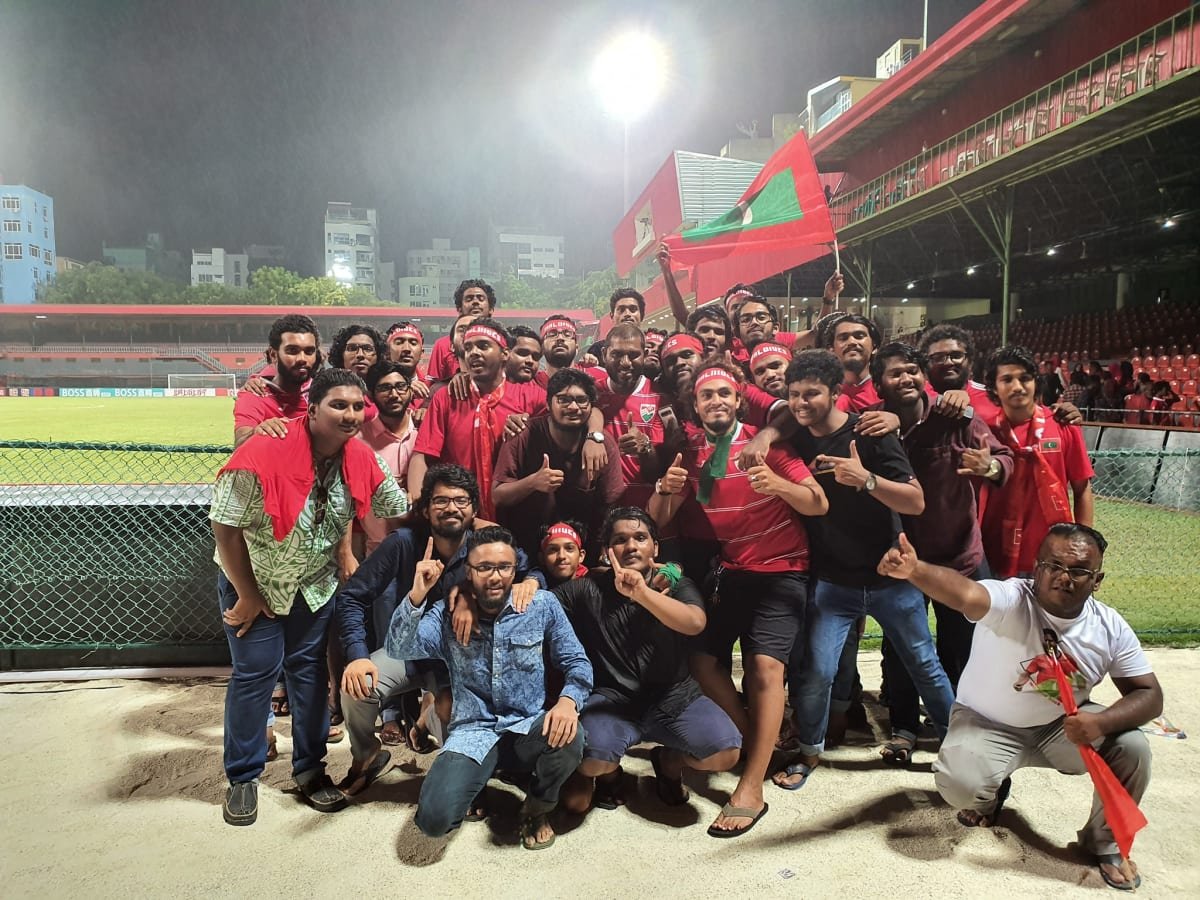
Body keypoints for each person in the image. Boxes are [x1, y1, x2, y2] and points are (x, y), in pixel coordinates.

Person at [878, 524, 1161, 891]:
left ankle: (1104, 843)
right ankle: (989, 796)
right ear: (1037, 567)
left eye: (1079, 570)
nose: (1063, 577)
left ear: (1097, 580)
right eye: (1053, 565)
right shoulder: (1012, 598)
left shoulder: (1109, 627)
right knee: (961, 785)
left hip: (1060, 727)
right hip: (986, 722)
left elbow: (1149, 694)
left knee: (1133, 747)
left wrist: (1102, 722)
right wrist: (916, 570)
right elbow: (966, 593)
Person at [211, 368, 409, 826]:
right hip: (255, 582)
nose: (350, 415)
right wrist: (247, 594)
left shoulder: (357, 455)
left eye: (357, 406)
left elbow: (394, 507)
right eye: (339, 405)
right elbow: (225, 525)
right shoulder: (266, 447)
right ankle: (243, 776)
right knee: (255, 674)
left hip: (313, 587)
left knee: (309, 676)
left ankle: (310, 770)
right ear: (313, 408)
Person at [650, 361, 827, 837]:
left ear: (738, 400)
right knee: (703, 662)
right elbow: (660, 517)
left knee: (765, 669)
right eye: (707, 395)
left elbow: (818, 502)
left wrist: (779, 485)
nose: (716, 402)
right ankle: (756, 741)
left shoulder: (766, 446)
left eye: (724, 393)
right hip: (732, 571)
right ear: (695, 405)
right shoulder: (691, 454)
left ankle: (752, 786)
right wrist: (665, 491)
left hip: (783, 570)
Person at [767, 350, 955, 789]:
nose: (801, 403)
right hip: (833, 582)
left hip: (890, 577)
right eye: (795, 394)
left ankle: (960, 746)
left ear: (836, 392)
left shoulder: (869, 432)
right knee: (818, 672)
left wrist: (866, 479)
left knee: (925, 665)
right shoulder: (797, 440)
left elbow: (916, 501)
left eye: (812, 393)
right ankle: (809, 752)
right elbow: (776, 426)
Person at [335, 464, 543, 795]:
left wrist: (530, 581)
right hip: (409, 651)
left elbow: (531, 570)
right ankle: (366, 754)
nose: (451, 508)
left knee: (454, 707)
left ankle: (450, 751)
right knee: (357, 686)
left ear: (474, 510)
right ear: (425, 508)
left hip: (462, 658)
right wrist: (358, 656)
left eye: (461, 501)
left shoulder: (485, 543)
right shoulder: (403, 543)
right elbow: (351, 598)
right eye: (441, 500)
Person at [385, 526, 592, 850]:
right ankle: (477, 780)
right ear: (468, 571)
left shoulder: (541, 606)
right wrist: (417, 596)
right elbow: (398, 648)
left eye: (504, 567)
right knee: (433, 821)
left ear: (514, 570)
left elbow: (577, 661)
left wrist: (568, 701)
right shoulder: (446, 614)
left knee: (571, 734)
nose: (495, 577)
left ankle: (536, 809)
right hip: (473, 733)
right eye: (484, 568)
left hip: (526, 728)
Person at [871, 342, 1013, 763]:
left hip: (960, 556)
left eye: (912, 370)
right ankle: (903, 728)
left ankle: (961, 724)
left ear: (923, 375)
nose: (906, 378)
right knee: (901, 648)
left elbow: (1003, 458)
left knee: (966, 647)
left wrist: (989, 467)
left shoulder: (956, 415)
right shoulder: (873, 424)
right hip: (903, 560)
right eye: (895, 373)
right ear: (880, 384)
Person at [555, 508, 742, 817]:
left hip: (675, 696)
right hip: (613, 699)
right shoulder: (587, 588)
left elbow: (695, 622)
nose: (631, 546)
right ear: (607, 551)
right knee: (592, 761)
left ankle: (669, 762)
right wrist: (530, 582)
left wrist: (642, 594)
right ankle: (609, 774)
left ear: (655, 547)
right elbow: (543, 606)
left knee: (726, 752)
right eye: (620, 540)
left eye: (640, 538)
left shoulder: (675, 585)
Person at [409, 318, 546, 515]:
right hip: (460, 516)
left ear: (505, 354)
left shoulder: (531, 397)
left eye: (483, 346)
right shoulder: (447, 397)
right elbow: (421, 455)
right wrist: (420, 506)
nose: (473, 352)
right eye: (468, 347)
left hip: (513, 515)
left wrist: (529, 422)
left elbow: (574, 414)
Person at [980, 345, 1094, 578]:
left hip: (1052, 554)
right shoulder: (983, 431)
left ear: (1035, 382)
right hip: (993, 553)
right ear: (994, 388)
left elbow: (1082, 488)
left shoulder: (1063, 425)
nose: (1017, 387)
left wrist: (1084, 544)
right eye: (1007, 380)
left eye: (1025, 378)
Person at [492, 368, 623, 562]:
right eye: (563, 399)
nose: (573, 407)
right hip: (526, 552)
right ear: (548, 403)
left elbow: (612, 504)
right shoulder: (522, 436)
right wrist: (532, 482)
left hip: (582, 555)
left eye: (581, 400)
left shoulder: (603, 444)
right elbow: (497, 496)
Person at [596, 323, 667, 504]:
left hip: (644, 508)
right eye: (617, 354)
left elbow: (660, 471)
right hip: (600, 508)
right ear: (604, 354)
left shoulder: (661, 398)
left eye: (634, 355)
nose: (626, 362)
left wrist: (645, 447)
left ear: (645, 354)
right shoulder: (591, 394)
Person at [357, 361, 418, 556]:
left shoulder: (425, 430)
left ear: (410, 390)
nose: (394, 394)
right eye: (384, 388)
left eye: (400, 386)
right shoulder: (358, 439)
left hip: (421, 542)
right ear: (371, 395)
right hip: (377, 549)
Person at [232, 314, 320, 447]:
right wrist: (257, 432)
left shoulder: (324, 393)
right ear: (273, 355)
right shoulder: (256, 394)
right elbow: (240, 444)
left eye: (309, 351)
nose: (302, 358)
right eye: (292, 351)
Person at [427, 280, 497, 381]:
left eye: (481, 299)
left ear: (491, 309)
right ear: (459, 309)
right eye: (469, 299)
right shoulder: (442, 345)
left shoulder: (502, 341)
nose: (475, 302)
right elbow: (432, 385)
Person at [539, 314, 579, 383]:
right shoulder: (528, 384)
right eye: (552, 334)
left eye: (567, 335)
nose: (560, 338)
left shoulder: (594, 377)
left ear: (577, 347)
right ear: (542, 348)